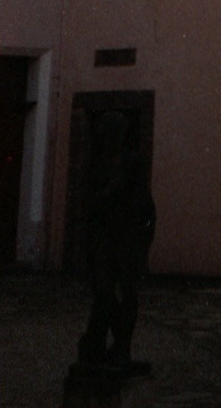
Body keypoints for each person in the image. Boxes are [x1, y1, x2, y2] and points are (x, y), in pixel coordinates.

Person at [76, 112, 156, 373]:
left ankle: (120, 348)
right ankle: (100, 345)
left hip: (126, 238)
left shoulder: (132, 164)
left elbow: (145, 203)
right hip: (105, 238)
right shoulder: (99, 166)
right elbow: (90, 203)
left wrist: (144, 238)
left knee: (126, 295)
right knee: (105, 294)